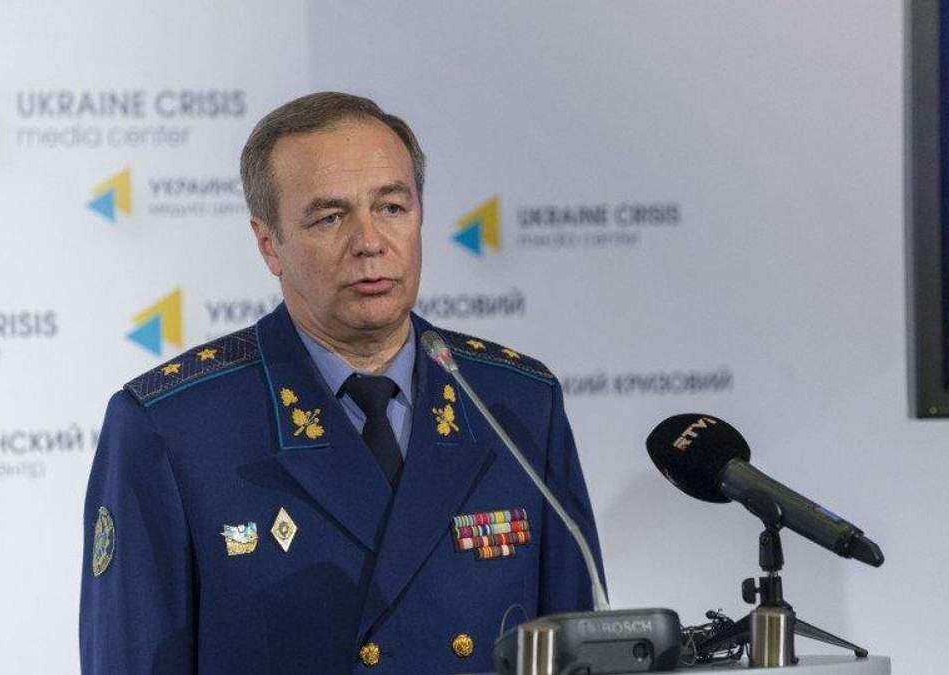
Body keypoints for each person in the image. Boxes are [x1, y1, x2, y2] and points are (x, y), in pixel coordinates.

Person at [79, 92, 604, 673]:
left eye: (392, 207)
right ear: (269, 243)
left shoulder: (517, 402)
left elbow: (579, 649)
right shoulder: (174, 427)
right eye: (330, 217)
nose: (370, 242)